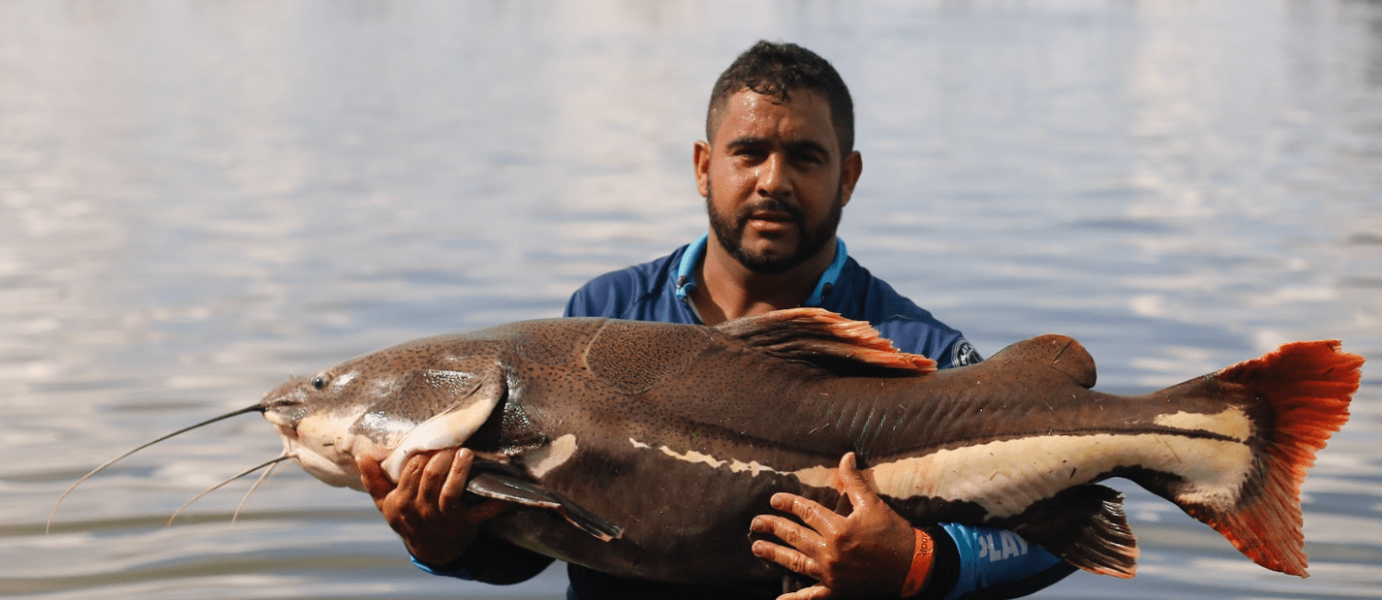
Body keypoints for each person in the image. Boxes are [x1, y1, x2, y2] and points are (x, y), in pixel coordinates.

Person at [356, 41, 1077, 600]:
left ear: (848, 176)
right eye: (749, 152)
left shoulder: (918, 348)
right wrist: (443, 542)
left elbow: (1062, 529)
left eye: (804, 156)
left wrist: (922, 565)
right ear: (704, 167)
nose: (772, 180)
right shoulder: (600, 316)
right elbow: (546, 537)